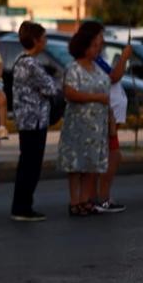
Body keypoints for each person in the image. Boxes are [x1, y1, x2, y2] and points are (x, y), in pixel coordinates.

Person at [56, 22, 110, 217]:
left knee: (90, 164)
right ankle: (75, 201)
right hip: (78, 124)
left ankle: (86, 199)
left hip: (97, 126)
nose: (97, 49)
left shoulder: (98, 68)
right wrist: (96, 98)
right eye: (94, 46)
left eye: (98, 46)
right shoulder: (74, 68)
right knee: (75, 164)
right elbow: (70, 93)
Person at [10, 22, 60, 221]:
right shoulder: (31, 64)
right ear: (36, 40)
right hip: (34, 121)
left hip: (27, 120)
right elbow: (51, 88)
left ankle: (21, 205)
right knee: (31, 166)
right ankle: (23, 207)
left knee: (27, 164)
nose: (46, 41)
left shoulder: (20, 60)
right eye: (44, 38)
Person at [93, 45, 132, 213]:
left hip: (111, 116)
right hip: (107, 117)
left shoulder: (98, 58)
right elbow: (113, 77)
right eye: (99, 37)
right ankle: (102, 198)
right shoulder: (93, 60)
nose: (102, 41)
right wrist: (123, 58)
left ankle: (101, 197)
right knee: (112, 156)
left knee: (112, 155)